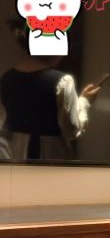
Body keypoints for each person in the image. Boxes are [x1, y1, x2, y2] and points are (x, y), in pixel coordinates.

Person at [0, 17, 101, 160]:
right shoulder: (63, 81)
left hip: (13, 154)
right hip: (51, 154)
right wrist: (85, 101)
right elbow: (71, 129)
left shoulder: (7, 78)